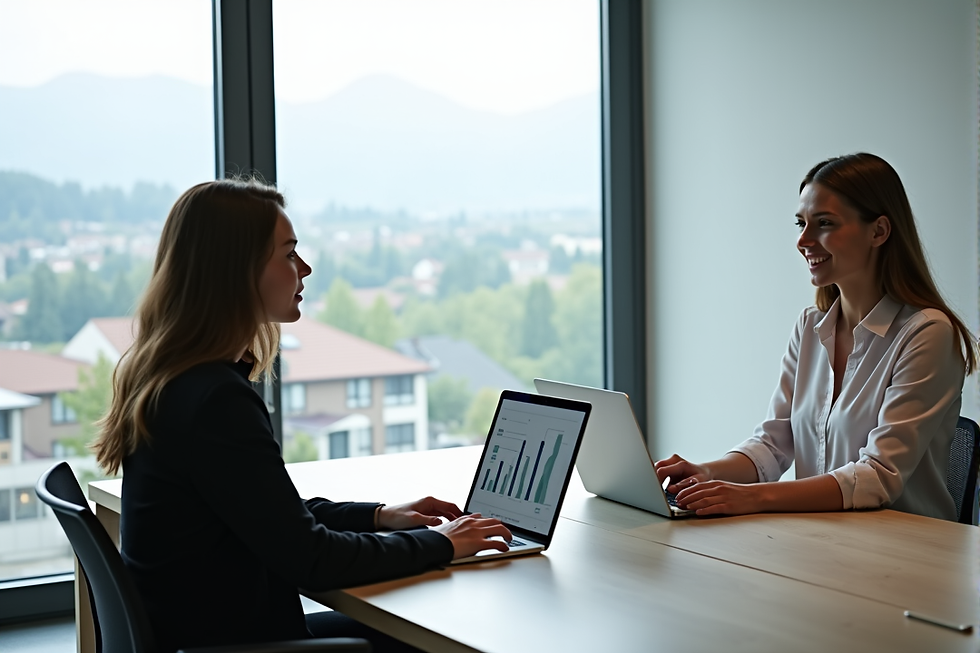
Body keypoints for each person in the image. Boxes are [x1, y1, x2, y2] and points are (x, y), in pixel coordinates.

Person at [92, 178, 512, 653]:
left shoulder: (173, 380)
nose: (305, 268)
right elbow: (313, 559)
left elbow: (268, 514)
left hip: (203, 635)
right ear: (237, 271)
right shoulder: (215, 401)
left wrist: (379, 516)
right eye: (289, 254)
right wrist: (445, 544)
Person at [655, 153, 976, 522]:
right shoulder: (810, 326)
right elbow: (773, 444)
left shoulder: (927, 333)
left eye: (824, 223)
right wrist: (707, 473)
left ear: (879, 231)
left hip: (905, 556)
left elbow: (878, 476)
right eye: (801, 223)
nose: (803, 240)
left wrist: (751, 497)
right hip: (823, 543)